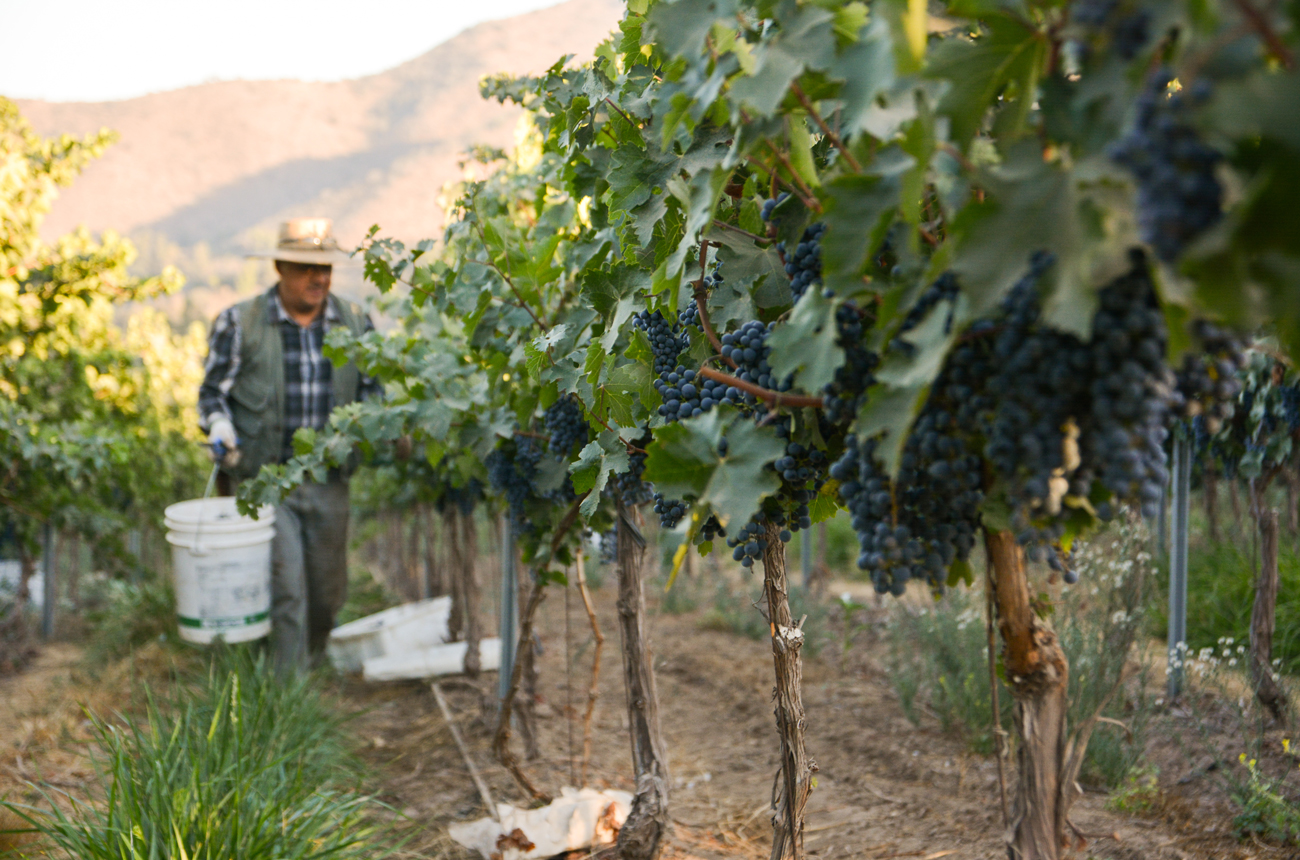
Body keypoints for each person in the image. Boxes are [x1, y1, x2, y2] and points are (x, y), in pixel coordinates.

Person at [198, 217, 378, 673]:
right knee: (287, 590)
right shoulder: (240, 323)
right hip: (267, 481)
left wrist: (385, 426)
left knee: (325, 594)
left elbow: (374, 392)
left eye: (326, 269)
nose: (319, 278)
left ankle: (308, 668)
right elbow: (212, 393)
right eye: (306, 268)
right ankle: (287, 700)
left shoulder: (356, 323)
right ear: (280, 266)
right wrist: (219, 424)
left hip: (329, 481)